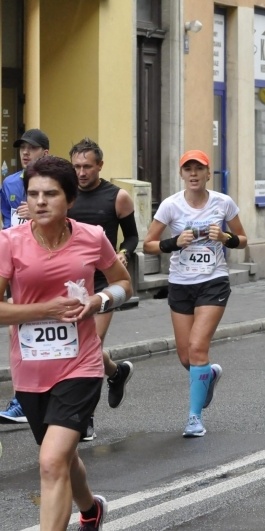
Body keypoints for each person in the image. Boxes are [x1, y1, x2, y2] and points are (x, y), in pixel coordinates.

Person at [0, 155, 132, 530]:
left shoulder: (92, 237)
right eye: (33, 194)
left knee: (50, 460)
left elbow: (123, 283)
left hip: (81, 364)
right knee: (60, 457)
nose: (40, 201)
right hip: (30, 369)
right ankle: (91, 508)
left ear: (70, 200)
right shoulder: (9, 243)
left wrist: (99, 300)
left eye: (51, 194)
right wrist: (46, 309)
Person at [143, 149, 247, 438]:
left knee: (198, 347)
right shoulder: (170, 206)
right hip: (180, 283)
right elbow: (148, 244)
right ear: (181, 174)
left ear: (207, 173)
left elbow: (243, 239)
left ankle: (193, 418)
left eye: (198, 169)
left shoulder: (223, 203)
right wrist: (173, 242)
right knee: (187, 357)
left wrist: (226, 238)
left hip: (213, 280)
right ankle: (209, 374)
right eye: (187, 169)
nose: (193, 174)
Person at [68, 138, 138, 440]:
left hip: (103, 284)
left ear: (100, 166)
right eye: (77, 167)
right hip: (71, 283)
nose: (81, 172)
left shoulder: (117, 197)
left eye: (87, 166)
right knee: (84, 350)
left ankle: (86, 418)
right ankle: (116, 372)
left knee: (89, 345)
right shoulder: (65, 194)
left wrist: (124, 252)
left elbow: (133, 237)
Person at [0, 129, 50, 425]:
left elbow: (74, 219)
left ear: (45, 151)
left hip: (51, 261)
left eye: (32, 148)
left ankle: (68, 394)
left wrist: (38, 216)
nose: (25, 153)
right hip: (19, 264)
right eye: (22, 148)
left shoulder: (58, 181)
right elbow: (7, 222)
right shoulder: (9, 183)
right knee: (16, 331)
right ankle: (22, 399)